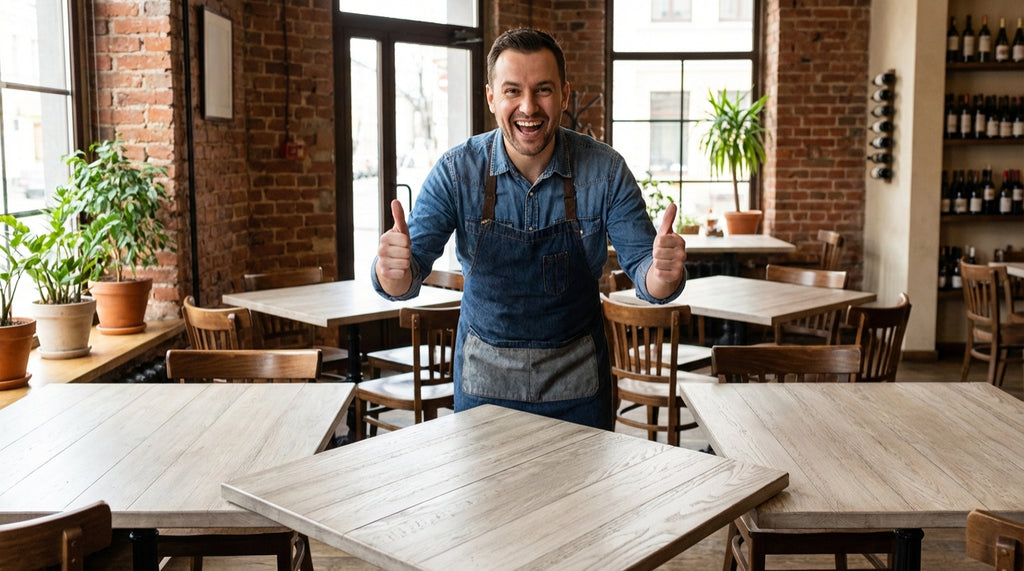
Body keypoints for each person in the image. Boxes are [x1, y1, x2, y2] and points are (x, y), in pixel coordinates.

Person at [372, 27, 686, 430]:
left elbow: (647, 274)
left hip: (578, 387)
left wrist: (662, 274)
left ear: (564, 95)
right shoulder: (456, 172)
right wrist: (391, 271)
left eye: (543, 90)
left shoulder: (605, 171)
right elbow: (404, 277)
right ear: (491, 98)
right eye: (512, 91)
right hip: (484, 388)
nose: (528, 107)